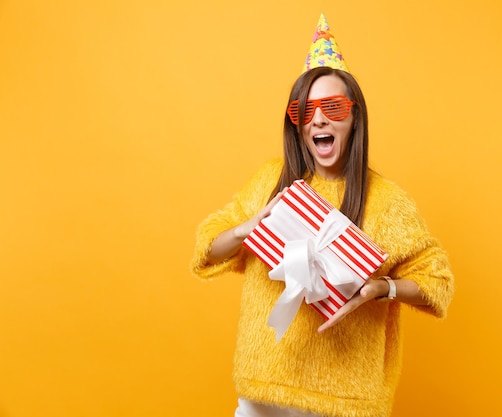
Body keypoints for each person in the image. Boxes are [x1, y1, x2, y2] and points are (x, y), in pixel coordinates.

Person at [191, 14, 454, 417]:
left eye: (332, 106)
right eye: (305, 110)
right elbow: (206, 249)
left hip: (344, 403)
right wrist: (249, 227)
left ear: (354, 118)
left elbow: (437, 283)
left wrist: (381, 288)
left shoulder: (386, 201)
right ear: (296, 124)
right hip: (263, 392)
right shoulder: (270, 181)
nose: (318, 118)